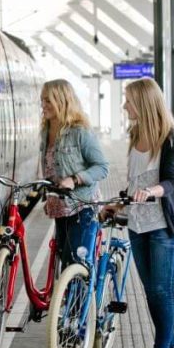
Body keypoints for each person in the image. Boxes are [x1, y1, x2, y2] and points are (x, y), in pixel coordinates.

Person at [102, 77, 174, 348]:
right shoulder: (136, 135)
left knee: (162, 291)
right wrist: (119, 205)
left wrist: (152, 192)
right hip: (137, 224)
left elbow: (171, 181)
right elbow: (134, 182)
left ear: (143, 102)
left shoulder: (171, 138)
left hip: (163, 225)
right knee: (152, 292)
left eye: (128, 100)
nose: (125, 105)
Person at [40, 79, 109, 272]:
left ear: (62, 101)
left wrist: (75, 179)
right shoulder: (45, 131)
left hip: (82, 207)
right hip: (60, 209)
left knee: (76, 265)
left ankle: (83, 302)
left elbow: (102, 167)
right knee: (65, 260)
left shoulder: (80, 132)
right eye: (42, 101)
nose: (43, 105)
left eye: (48, 101)